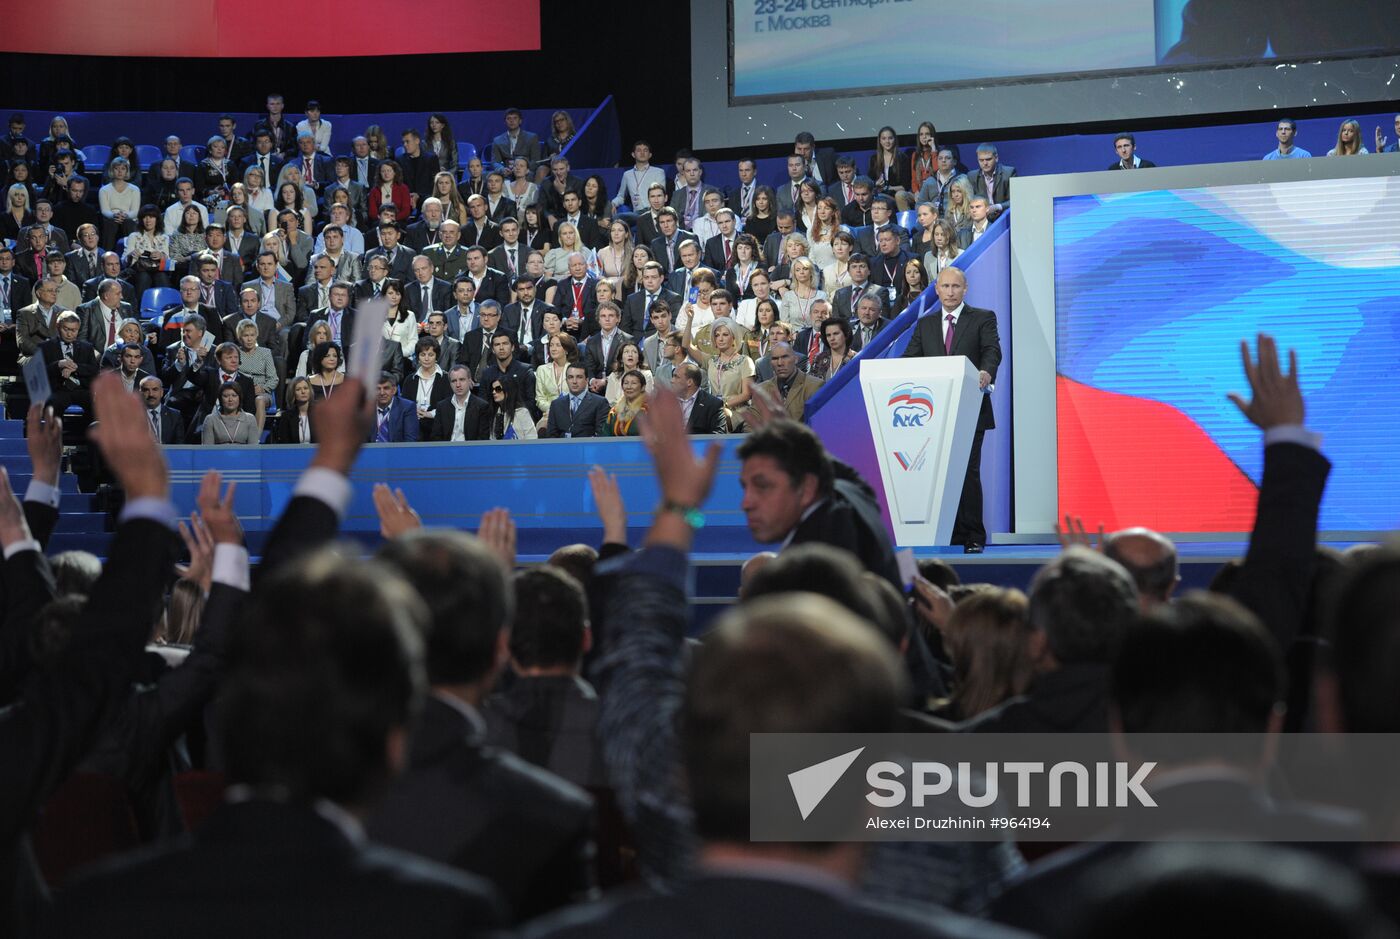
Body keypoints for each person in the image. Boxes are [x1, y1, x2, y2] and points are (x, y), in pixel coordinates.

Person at [901, 267, 1001, 551]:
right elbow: (910, 359)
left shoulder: (982, 318)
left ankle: (973, 536)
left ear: (965, 289)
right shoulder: (926, 324)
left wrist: (986, 371)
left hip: (970, 410)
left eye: (955, 286)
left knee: (967, 472)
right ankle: (949, 534)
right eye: (944, 286)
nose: (950, 292)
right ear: (937, 290)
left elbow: (992, 351)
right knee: (940, 474)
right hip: (933, 414)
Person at [742, 340, 823, 425]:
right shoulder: (761, 390)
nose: (780, 363)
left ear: (796, 359)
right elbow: (750, 424)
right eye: (775, 359)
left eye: (785, 357)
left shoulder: (814, 386)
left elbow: (819, 424)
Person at [40, 310, 100, 421]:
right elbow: (40, 373)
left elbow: (94, 370)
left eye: (74, 330)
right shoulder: (45, 347)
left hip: (81, 389)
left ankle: (90, 436)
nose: (69, 334)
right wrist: (58, 365)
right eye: (66, 329)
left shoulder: (87, 347)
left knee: (98, 405)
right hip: (58, 390)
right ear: (58, 327)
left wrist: (76, 368)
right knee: (53, 405)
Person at [402, 337, 450, 440]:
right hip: (414, 427)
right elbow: (403, 404)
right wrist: (413, 412)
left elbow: (449, 406)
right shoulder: (410, 380)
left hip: (438, 427)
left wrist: (430, 414)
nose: (426, 358)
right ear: (418, 357)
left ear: (436, 356)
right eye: (423, 355)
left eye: (431, 355)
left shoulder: (446, 379)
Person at [431, 364, 491, 441]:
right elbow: (436, 437)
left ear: (469, 381)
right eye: (454, 381)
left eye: (462, 380)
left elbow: (483, 438)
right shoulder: (442, 406)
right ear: (450, 384)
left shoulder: (482, 406)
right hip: (447, 450)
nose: (458, 385)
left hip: (471, 450)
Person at [545, 363, 607, 438]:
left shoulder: (599, 402)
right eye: (570, 377)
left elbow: (602, 434)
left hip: (588, 447)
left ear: (586, 380)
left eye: (579, 377)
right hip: (563, 448)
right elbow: (551, 436)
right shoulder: (556, 404)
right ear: (566, 380)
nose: (574, 381)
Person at [672, 361, 727, 434]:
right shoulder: (665, 403)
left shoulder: (713, 405)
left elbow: (718, 436)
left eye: (676, 377)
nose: (672, 381)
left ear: (689, 382)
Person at [867, 126, 913, 210]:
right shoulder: (874, 159)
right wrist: (876, 184)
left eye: (890, 138)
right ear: (880, 141)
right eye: (884, 139)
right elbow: (869, 182)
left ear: (895, 139)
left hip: (897, 195)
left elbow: (905, 186)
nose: (887, 141)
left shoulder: (902, 158)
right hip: (880, 194)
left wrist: (888, 188)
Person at [370, 371, 419, 442]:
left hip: (398, 451)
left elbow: (410, 440)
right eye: (378, 389)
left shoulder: (407, 407)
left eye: (386, 388)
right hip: (370, 451)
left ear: (394, 390)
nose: (382, 393)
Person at [488, 374, 539, 440]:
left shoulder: (522, 412)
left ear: (508, 390)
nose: (494, 392)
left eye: (498, 389)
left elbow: (532, 438)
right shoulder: (496, 414)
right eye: (492, 389)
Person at [601, 368, 649, 436]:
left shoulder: (650, 410)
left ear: (643, 387)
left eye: (634, 383)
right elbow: (605, 435)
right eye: (626, 383)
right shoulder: (614, 411)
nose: (629, 387)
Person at [270, 375, 314, 443]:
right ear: (293, 393)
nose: (303, 392)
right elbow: (285, 443)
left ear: (310, 391)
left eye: (305, 388)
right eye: (298, 389)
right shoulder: (286, 417)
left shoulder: (319, 414)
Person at [811, 316, 857, 381]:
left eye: (836, 334)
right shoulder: (819, 358)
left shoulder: (855, 358)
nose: (832, 338)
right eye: (828, 335)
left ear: (846, 334)